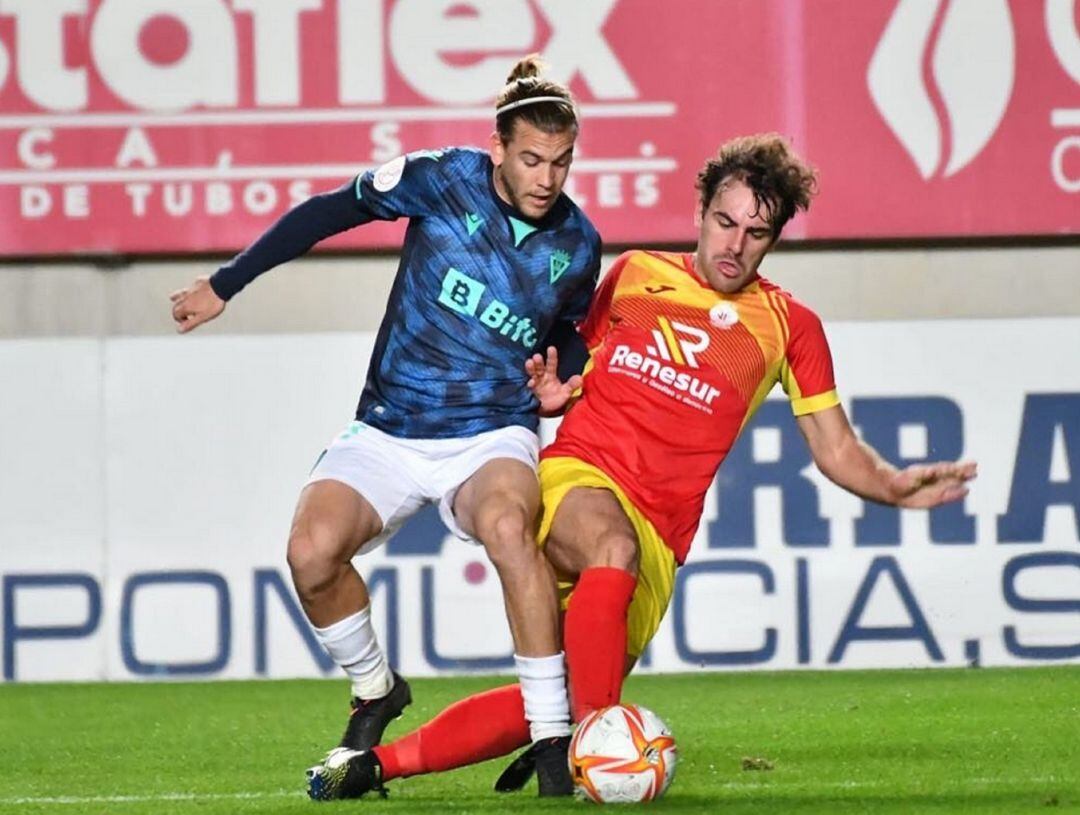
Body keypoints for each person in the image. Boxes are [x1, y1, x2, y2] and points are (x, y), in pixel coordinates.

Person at [312, 133, 978, 799]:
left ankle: (371, 766)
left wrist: (891, 485)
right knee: (610, 548)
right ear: (699, 212)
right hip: (577, 480)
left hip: (660, 539)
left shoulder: (788, 326)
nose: (734, 244)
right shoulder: (632, 274)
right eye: (725, 221)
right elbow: (566, 366)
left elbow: (835, 449)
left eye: (756, 231)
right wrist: (549, 397)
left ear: (774, 238)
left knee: (557, 697)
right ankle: (586, 746)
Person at [168, 56, 601, 799]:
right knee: (310, 553)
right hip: (391, 427)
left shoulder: (577, 243)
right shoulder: (439, 178)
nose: (546, 177)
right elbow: (329, 210)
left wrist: (563, 377)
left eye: (561, 163)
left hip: (490, 431)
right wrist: (225, 283)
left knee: (506, 526)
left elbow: (568, 328)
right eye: (531, 158)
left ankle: (553, 735)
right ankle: (376, 689)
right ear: (497, 147)